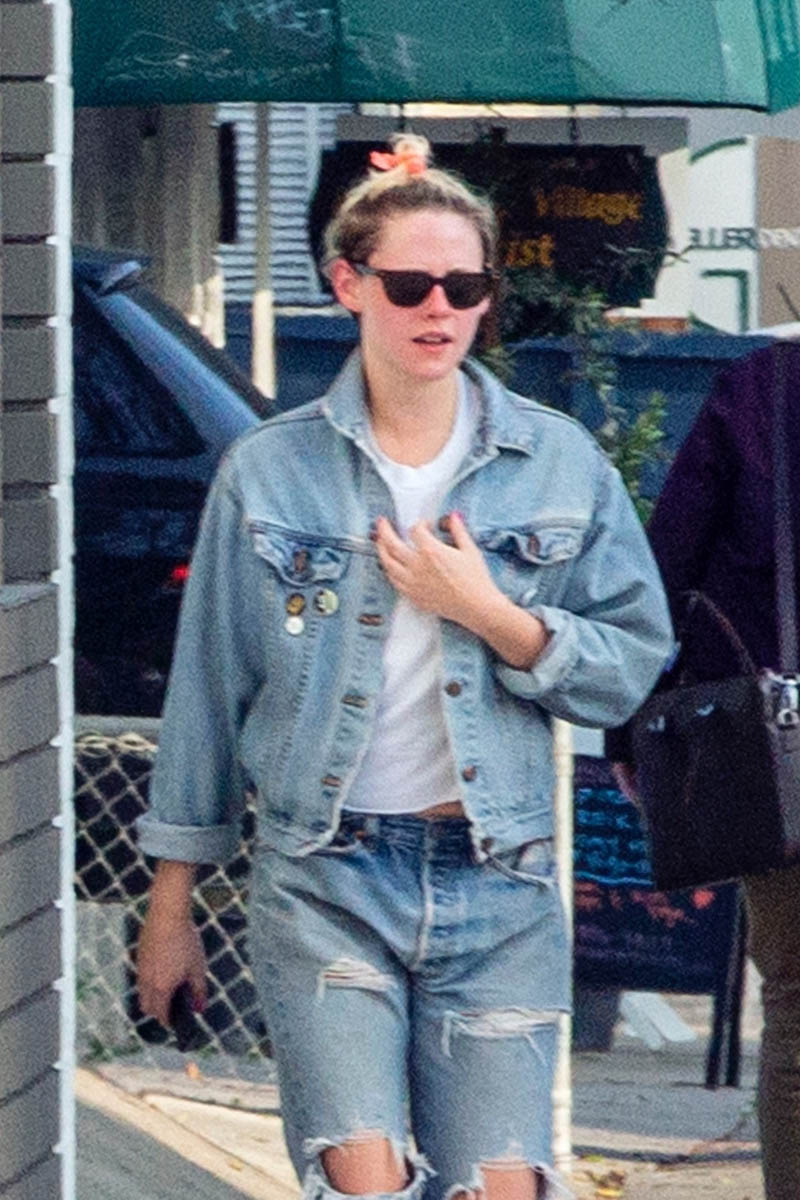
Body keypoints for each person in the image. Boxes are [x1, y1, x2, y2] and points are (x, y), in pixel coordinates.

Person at [135, 133, 673, 1200]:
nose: (438, 309)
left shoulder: (557, 463)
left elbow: (628, 666)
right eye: (409, 284)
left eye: (465, 286)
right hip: (324, 875)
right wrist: (170, 905)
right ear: (348, 285)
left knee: (498, 1185)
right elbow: (207, 694)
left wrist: (490, 614)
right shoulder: (268, 470)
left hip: (498, 876)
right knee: (365, 1183)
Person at [607, 341, 800, 1200]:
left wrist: (631, 729)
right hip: (782, 762)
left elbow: (667, 569)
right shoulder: (759, 388)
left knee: (796, 1011)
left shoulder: (767, 388)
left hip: (782, 750)